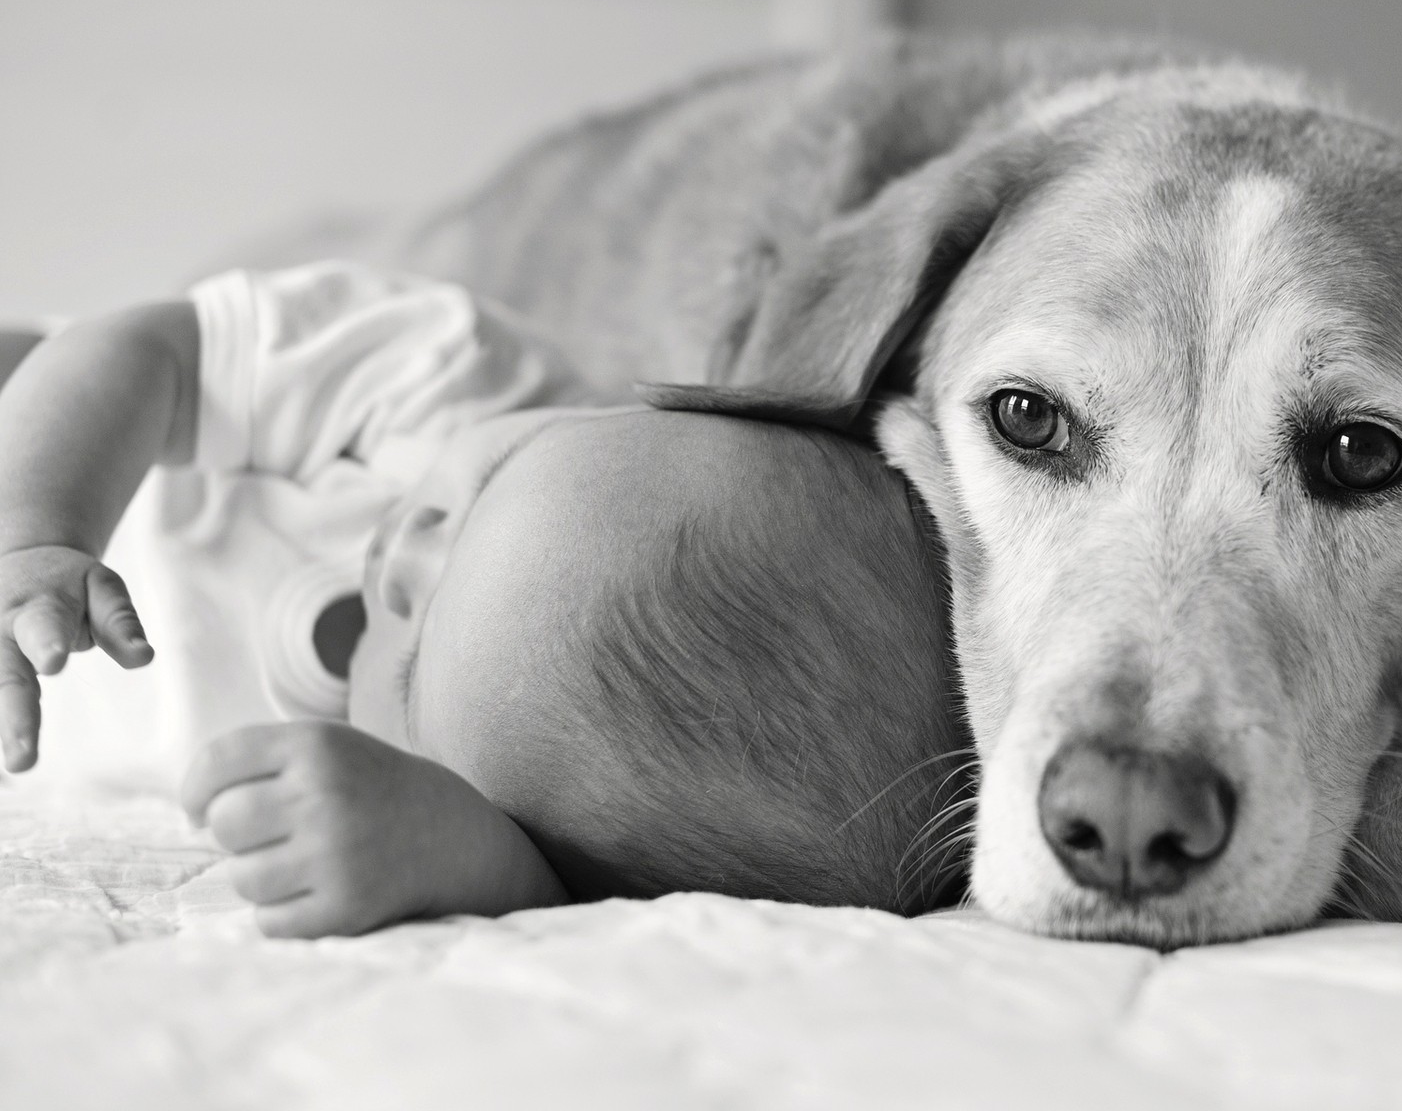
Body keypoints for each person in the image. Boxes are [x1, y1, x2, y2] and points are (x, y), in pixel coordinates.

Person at [0, 263, 967, 937]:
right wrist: (39, 531)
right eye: (493, 475)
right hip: (55, 445)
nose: (404, 556)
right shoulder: (454, 375)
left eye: (413, 668)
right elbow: (145, 352)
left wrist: (471, 854)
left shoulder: (503, 813)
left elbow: (564, 896)